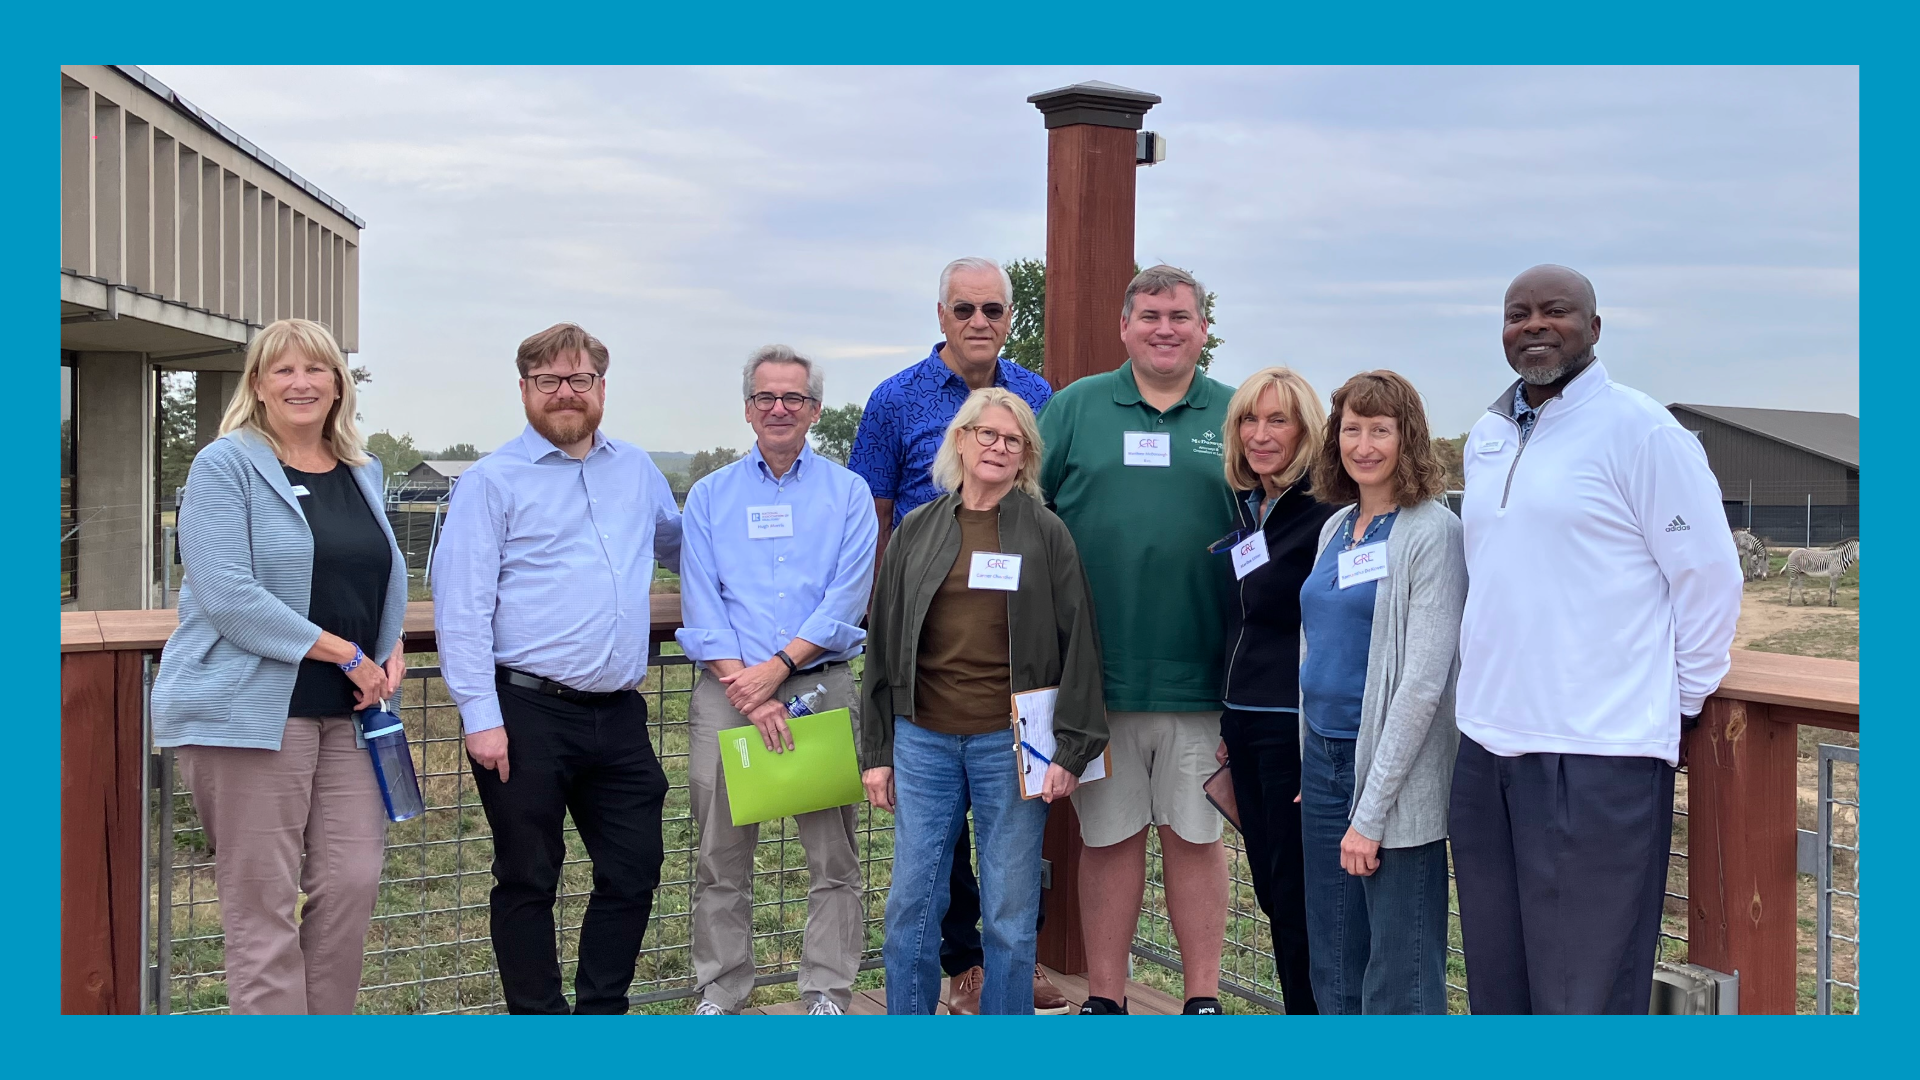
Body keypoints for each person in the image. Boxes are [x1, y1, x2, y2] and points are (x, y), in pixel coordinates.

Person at [1450, 265, 1743, 1014]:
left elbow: (1708, 577)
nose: (1536, 326)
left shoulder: (1643, 432)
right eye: (1518, 314)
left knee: (1583, 991)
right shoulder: (1486, 436)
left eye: (1557, 312)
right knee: (1500, 984)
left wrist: (1674, 702)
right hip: (1487, 747)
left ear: (1595, 327)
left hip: (1599, 751)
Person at [151, 318, 409, 1014]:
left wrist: (389, 643)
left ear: (337, 385)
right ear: (258, 386)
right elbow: (231, 597)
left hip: (352, 716)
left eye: (316, 369)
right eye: (283, 370)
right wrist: (346, 652)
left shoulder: (362, 469)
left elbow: (374, 571)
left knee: (351, 883)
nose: (301, 383)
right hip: (252, 715)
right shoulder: (224, 465)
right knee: (261, 907)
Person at [431, 323, 682, 1015]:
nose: (566, 393)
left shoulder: (637, 470)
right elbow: (461, 608)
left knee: (635, 867)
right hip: (524, 714)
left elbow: (685, 551)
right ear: (524, 390)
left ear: (602, 387)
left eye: (580, 380)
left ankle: (601, 1016)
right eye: (549, 381)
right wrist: (482, 720)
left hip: (619, 712)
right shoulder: (490, 482)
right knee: (527, 878)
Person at [847, 256, 1065, 1013]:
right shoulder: (894, 401)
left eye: (994, 310)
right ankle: (948, 978)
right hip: (924, 690)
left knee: (1009, 885)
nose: (979, 322)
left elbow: (1067, 605)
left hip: (1010, 718)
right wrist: (884, 617)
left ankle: (991, 987)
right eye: (964, 309)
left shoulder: (1038, 396)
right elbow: (868, 513)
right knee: (920, 886)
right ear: (941, 315)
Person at [859, 388, 1108, 1015]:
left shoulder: (1046, 531)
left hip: (1011, 743)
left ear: (1027, 454)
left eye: (1013, 439)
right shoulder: (917, 529)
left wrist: (1072, 750)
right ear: (961, 441)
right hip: (923, 741)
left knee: (1008, 911)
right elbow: (885, 643)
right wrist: (877, 750)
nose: (998, 447)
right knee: (912, 903)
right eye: (987, 435)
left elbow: (1079, 640)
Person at [1037, 264, 1238, 1016]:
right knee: (1109, 839)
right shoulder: (1076, 409)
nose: (1165, 328)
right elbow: (1028, 512)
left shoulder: (1238, 410)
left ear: (1203, 330)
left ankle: (1203, 999)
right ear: (1124, 326)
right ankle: (1107, 1001)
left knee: (1195, 837)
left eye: (1180, 316)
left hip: (1205, 676)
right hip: (1098, 683)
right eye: (1150, 314)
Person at [676, 345, 878, 1016]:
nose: (780, 408)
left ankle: (826, 991)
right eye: (767, 397)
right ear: (747, 410)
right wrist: (749, 687)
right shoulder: (709, 496)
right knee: (720, 859)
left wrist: (779, 672)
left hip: (817, 687)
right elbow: (702, 601)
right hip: (728, 694)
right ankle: (722, 991)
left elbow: (847, 595)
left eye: (794, 397)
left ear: (814, 410)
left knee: (834, 859)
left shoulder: (847, 493)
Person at [1297, 371, 1466, 1015]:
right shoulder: (1336, 526)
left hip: (1394, 772)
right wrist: (1312, 764)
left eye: (1380, 431)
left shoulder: (1432, 533)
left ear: (1408, 439)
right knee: (1335, 960)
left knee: (1400, 971)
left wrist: (1370, 811)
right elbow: (1315, 646)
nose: (1364, 445)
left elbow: (1423, 682)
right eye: (1352, 429)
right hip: (1325, 758)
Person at [1211, 366, 1335, 1014]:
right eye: (1250, 421)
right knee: (1272, 891)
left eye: (1277, 419)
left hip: (1294, 726)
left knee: (1297, 899)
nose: (1261, 434)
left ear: (1305, 429)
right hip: (1245, 723)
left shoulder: (1326, 514)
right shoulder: (1249, 509)